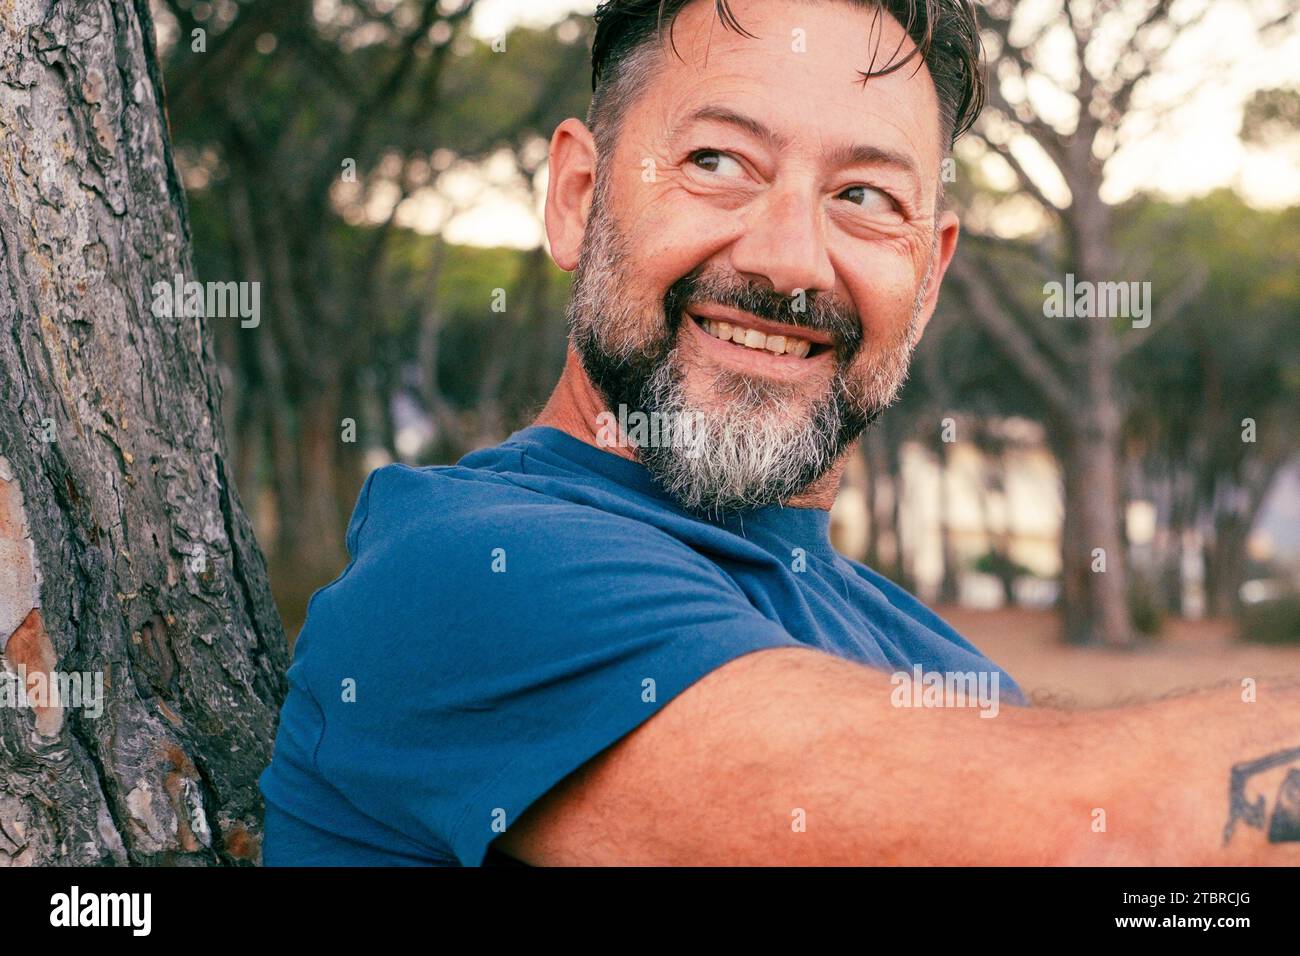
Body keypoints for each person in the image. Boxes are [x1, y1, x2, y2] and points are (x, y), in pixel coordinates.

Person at [259, 0, 1300, 866]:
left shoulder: (925, 651)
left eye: (862, 195)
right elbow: (1087, 837)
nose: (791, 260)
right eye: (718, 160)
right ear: (577, 196)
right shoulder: (465, 576)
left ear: (928, 273)